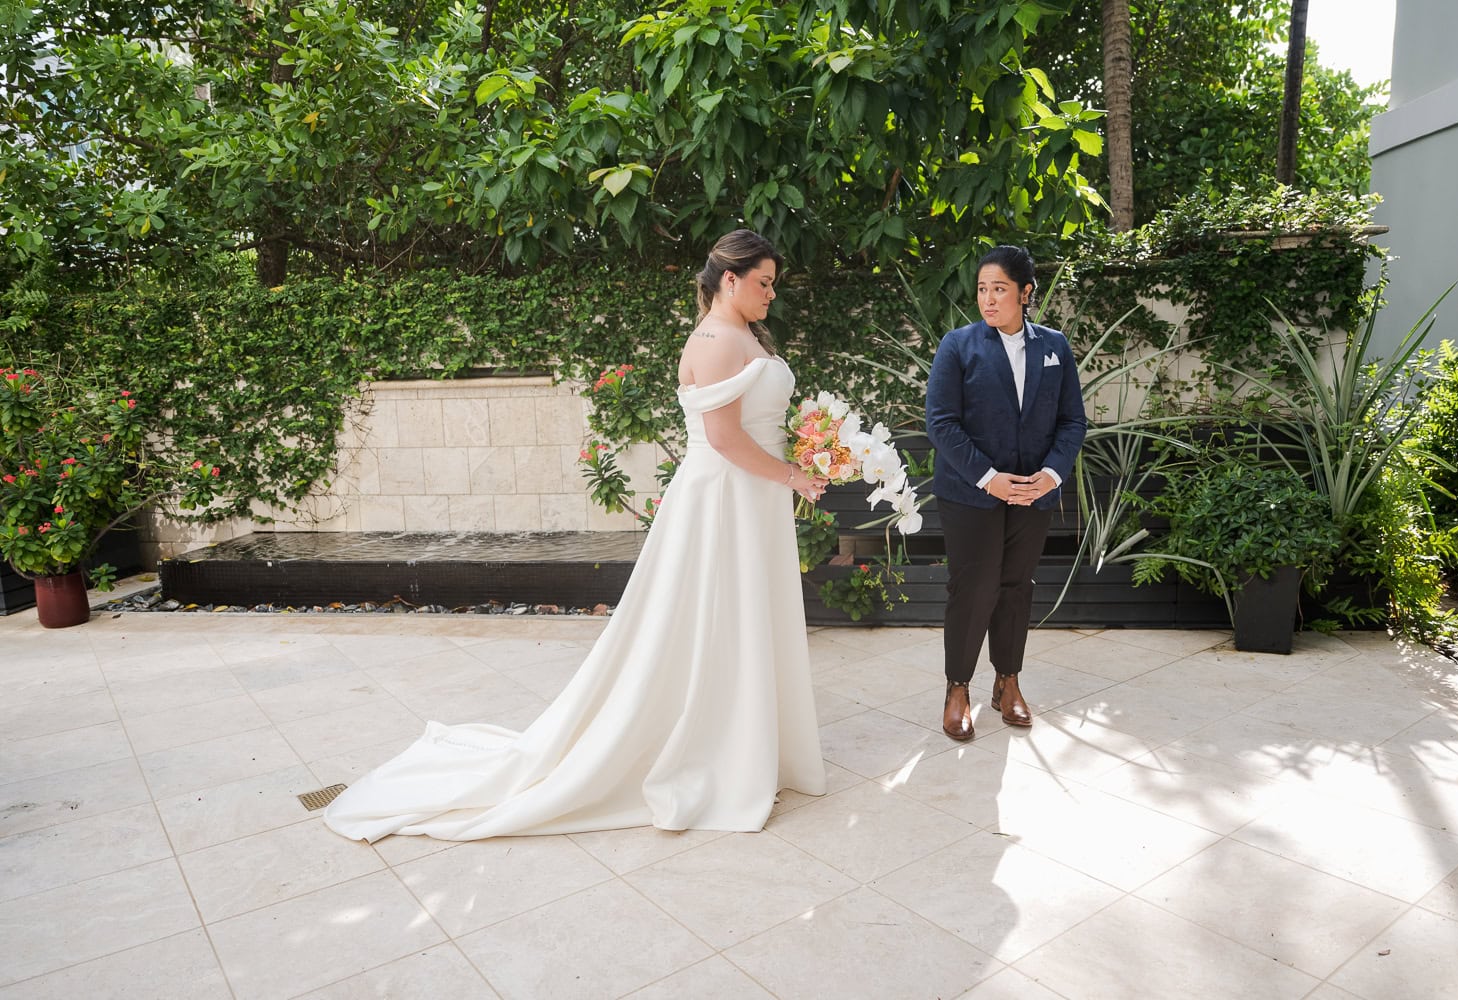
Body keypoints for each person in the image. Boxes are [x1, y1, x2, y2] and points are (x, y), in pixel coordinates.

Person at [324, 230, 829, 841]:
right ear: (730, 278)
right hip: (728, 495)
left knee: (740, 615)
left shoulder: (742, 333)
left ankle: (749, 739)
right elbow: (723, 438)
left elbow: (755, 421)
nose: (771, 293)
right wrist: (794, 474)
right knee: (718, 616)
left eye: (773, 283)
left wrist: (804, 448)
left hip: (750, 493)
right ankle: (719, 747)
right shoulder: (719, 340)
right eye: (763, 282)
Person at [924, 245, 1087, 741]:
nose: (988, 299)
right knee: (972, 590)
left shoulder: (1055, 346)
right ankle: (958, 689)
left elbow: (1072, 420)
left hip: (1033, 493)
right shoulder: (958, 345)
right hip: (971, 493)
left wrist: (1052, 476)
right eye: (981, 289)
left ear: (1026, 292)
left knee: (1016, 589)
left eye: (999, 289)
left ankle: (1007, 683)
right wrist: (988, 477)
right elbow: (942, 423)